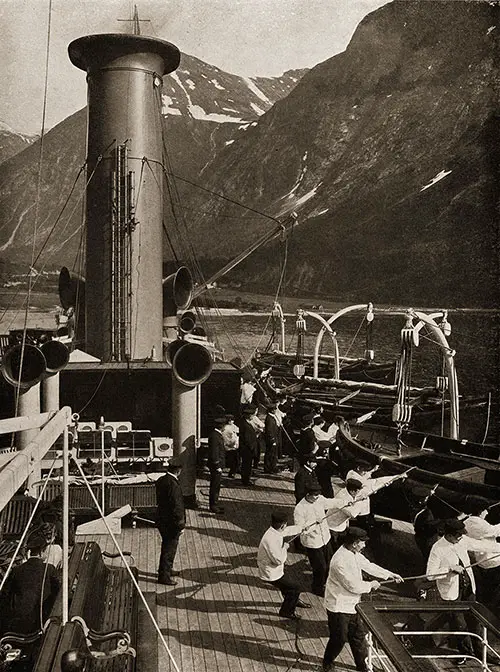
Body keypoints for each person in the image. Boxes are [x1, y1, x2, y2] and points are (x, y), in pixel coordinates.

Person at [322, 526, 402, 672]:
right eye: (362, 542)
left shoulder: (352, 552)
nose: (364, 545)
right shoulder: (339, 560)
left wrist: (390, 574)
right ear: (354, 543)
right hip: (338, 605)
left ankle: (363, 666)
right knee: (339, 639)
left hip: (353, 604)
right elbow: (353, 586)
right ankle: (327, 662)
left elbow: (368, 565)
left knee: (358, 636)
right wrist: (371, 585)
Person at [426, 518, 500, 663]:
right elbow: (430, 574)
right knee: (460, 624)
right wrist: (449, 569)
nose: (461, 538)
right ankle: (465, 653)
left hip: (467, 589)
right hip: (452, 593)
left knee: (475, 621)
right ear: (449, 535)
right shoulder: (437, 548)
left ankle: (481, 653)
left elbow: (482, 546)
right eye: (458, 535)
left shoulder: (462, 540)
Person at [1, 529, 60, 634]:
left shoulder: (16, 570)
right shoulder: (49, 569)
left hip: (15, 623)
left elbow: (5, 595)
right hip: (39, 623)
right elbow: (60, 592)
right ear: (42, 551)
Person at [257, 510, 311, 620]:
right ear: (282, 524)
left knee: (288, 587)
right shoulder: (270, 539)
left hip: (275, 570)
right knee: (295, 587)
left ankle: (293, 599)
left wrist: (302, 528)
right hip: (270, 573)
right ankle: (287, 611)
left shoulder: (274, 531)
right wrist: (285, 548)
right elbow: (279, 560)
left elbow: (287, 531)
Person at [293, 483, 338, 596]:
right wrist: (313, 523)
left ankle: (326, 583)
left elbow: (331, 502)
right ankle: (317, 588)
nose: (317, 497)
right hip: (313, 543)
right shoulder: (300, 508)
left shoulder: (319, 499)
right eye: (315, 495)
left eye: (318, 495)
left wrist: (347, 502)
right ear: (308, 495)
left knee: (330, 562)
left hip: (325, 538)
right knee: (320, 567)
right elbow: (300, 528)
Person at [461, 497, 500, 609]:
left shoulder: (470, 522)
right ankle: (490, 609)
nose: (487, 512)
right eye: (485, 510)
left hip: (485, 560)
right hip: (491, 562)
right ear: (480, 511)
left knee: (490, 589)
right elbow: (494, 531)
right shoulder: (475, 523)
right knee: (493, 590)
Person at [155, 455, 185, 585]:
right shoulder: (174, 485)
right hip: (171, 523)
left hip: (162, 519)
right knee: (169, 548)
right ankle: (164, 576)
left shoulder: (162, 480)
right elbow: (177, 506)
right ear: (178, 470)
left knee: (167, 546)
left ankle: (168, 569)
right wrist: (181, 524)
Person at [412, 486, 443, 563]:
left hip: (420, 537)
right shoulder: (425, 513)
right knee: (431, 558)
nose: (427, 499)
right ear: (421, 500)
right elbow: (430, 526)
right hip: (427, 539)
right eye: (425, 498)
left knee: (427, 556)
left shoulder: (415, 509)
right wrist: (442, 521)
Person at [207, 414, 227, 514]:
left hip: (217, 465)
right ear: (222, 426)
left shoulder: (216, 435)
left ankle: (215, 503)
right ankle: (213, 505)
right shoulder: (215, 436)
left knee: (216, 485)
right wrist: (217, 465)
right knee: (215, 486)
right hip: (216, 466)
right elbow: (214, 453)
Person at [239, 404, 259, 486]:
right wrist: (252, 448)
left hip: (247, 449)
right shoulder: (245, 425)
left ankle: (246, 479)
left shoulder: (245, 423)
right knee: (247, 465)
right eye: (251, 415)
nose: (252, 417)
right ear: (248, 415)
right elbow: (247, 439)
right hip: (247, 450)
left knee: (247, 465)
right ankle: (246, 480)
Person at [263, 402, 282, 474]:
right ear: (272, 410)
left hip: (274, 439)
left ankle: (272, 467)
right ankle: (269, 468)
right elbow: (269, 431)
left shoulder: (271, 417)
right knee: (270, 454)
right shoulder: (270, 419)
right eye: (275, 410)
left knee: (273, 454)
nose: (276, 411)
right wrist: (272, 440)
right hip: (272, 440)